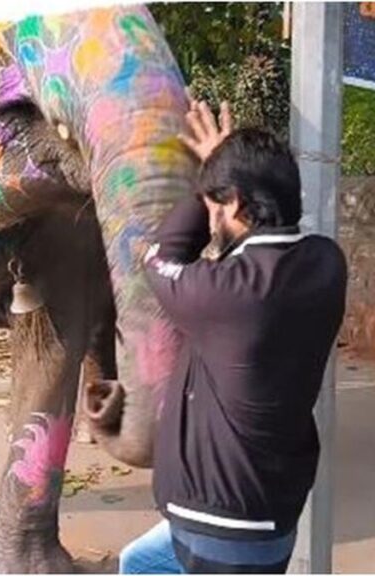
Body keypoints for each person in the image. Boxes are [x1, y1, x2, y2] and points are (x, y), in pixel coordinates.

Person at [118, 99, 347, 574]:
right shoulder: (326, 264)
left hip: (221, 529)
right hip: (268, 516)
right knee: (137, 562)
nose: (207, 211)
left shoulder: (224, 292)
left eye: (211, 201)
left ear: (236, 204)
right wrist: (223, 175)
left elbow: (161, 256)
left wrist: (209, 173)